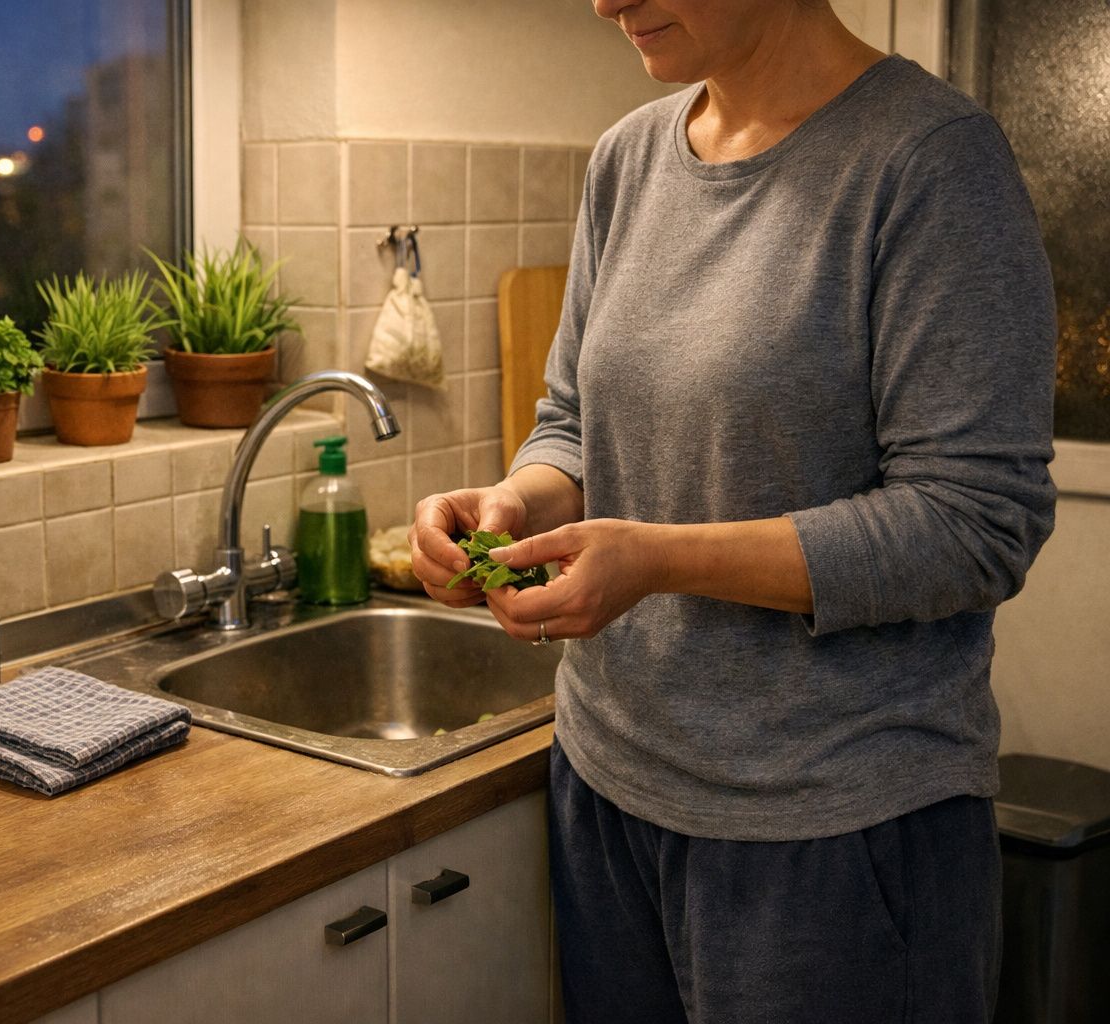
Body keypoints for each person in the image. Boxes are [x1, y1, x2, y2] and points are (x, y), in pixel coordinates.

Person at [408, 1, 1056, 1020]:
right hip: (608, 789)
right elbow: (573, 421)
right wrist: (514, 501)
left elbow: (975, 523)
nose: (606, 1)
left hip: (832, 829)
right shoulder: (627, 159)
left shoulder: (931, 162)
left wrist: (659, 559)